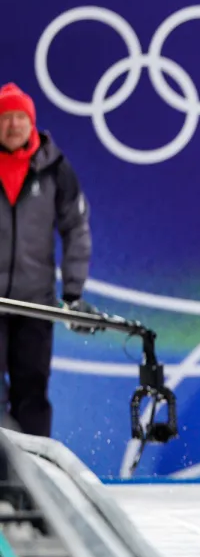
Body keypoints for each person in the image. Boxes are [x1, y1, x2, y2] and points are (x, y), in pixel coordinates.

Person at [0, 83, 92, 437]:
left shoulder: (56, 168)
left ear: (32, 123)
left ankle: (34, 477)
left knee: (32, 394)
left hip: (35, 305)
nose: (12, 125)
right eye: (5, 118)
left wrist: (72, 292)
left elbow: (76, 229)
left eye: (19, 117)